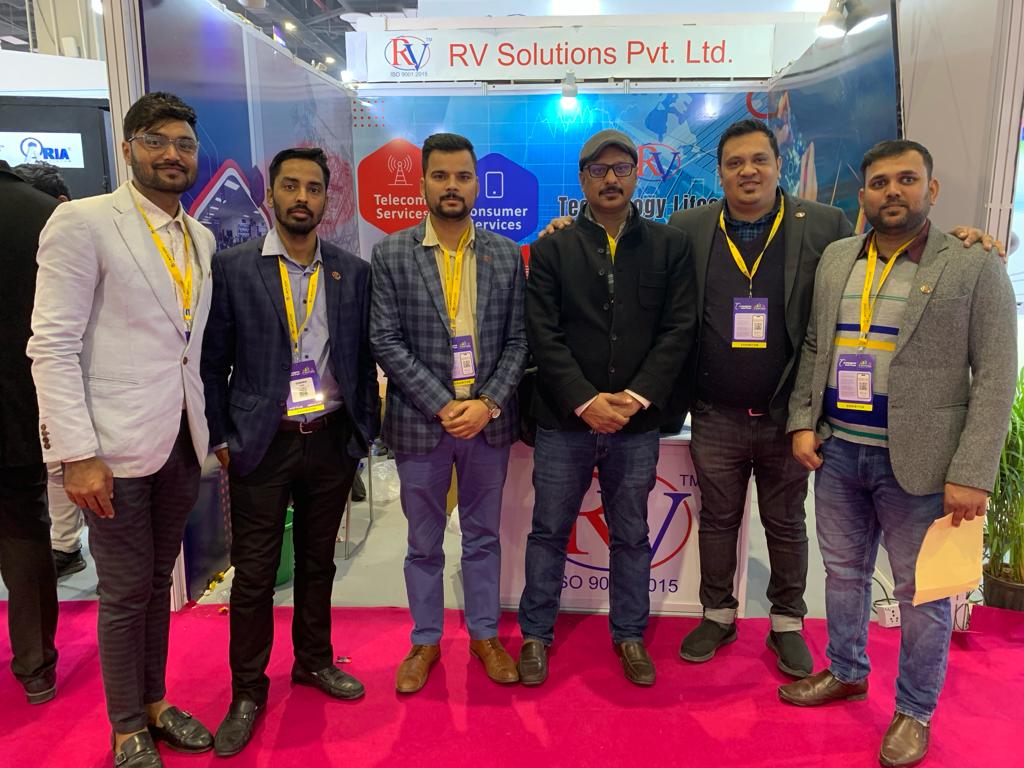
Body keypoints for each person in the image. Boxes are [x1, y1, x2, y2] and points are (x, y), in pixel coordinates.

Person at [780, 139, 1016, 768]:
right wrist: (803, 422)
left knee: (921, 594)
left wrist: (972, 472)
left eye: (906, 180)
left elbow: (996, 374)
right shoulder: (838, 258)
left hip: (924, 463)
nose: (893, 192)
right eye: (880, 182)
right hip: (838, 452)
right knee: (844, 575)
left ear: (930, 190)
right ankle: (847, 670)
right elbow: (816, 346)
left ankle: (914, 710)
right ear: (863, 196)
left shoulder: (972, 263)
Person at [28, 92, 216, 767]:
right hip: (111, 451)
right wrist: (76, 455)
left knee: (158, 581)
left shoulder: (200, 237)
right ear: (129, 146)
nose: (172, 154)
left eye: (184, 144)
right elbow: (51, 346)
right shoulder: (82, 222)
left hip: (180, 441)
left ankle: (156, 701)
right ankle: (127, 726)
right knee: (124, 591)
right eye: (156, 141)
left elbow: (186, 349)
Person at [201, 147, 379, 756]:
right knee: (253, 576)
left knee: (318, 564)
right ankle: (248, 692)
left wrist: (362, 434)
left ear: (327, 198)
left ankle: (314, 660)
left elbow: (361, 357)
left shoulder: (352, 272)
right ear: (271, 195)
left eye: (313, 188)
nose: (302, 197)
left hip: (330, 440)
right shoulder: (233, 268)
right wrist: (221, 439)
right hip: (261, 444)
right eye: (291, 186)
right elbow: (212, 363)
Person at [517, 129, 697, 687]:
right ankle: (535, 634)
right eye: (598, 170)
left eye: (621, 168)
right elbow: (543, 334)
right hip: (565, 421)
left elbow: (679, 329)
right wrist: (585, 400)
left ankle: (629, 635)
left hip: (636, 423)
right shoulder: (553, 248)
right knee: (549, 530)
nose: (610, 179)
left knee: (632, 534)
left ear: (637, 174)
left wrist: (635, 397)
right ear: (582, 179)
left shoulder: (670, 246)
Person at [370, 133, 528, 694]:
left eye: (462, 176)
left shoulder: (505, 254)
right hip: (421, 423)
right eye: (441, 176)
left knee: (483, 536)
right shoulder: (391, 253)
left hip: (487, 423)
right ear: (422, 184)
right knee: (423, 542)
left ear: (477, 184)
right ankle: (425, 640)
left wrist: (486, 404)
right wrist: (442, 404)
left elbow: (519, 341)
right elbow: (384, 339)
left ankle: (485, 636)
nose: (452, 186)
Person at [0, 160, 60, 705]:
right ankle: (35, 664)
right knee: (23, 534)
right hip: (18, 406)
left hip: (19, 406)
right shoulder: (44, 215)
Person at [12, 162, 86, 579]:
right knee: (57, 466)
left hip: (85, 381)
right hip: (37, 373)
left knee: (64, 467)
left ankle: (65, 544)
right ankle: (63, 544)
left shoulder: (84, 239)